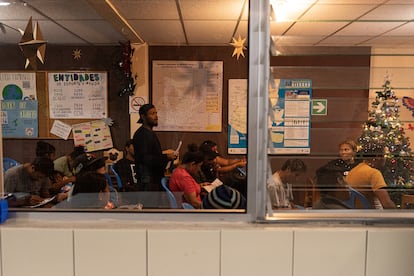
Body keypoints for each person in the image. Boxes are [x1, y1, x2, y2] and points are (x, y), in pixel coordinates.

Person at [133, 104, 176, 191]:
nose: (156, 116)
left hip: (154, 178)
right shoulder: (142, 134)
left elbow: (152, 154)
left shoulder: (149, 133)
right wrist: (166, 157)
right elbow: (145, 158)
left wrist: (165, 156)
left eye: (156, 113)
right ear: (143, 117)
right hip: (148, 181)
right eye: (152, 114)